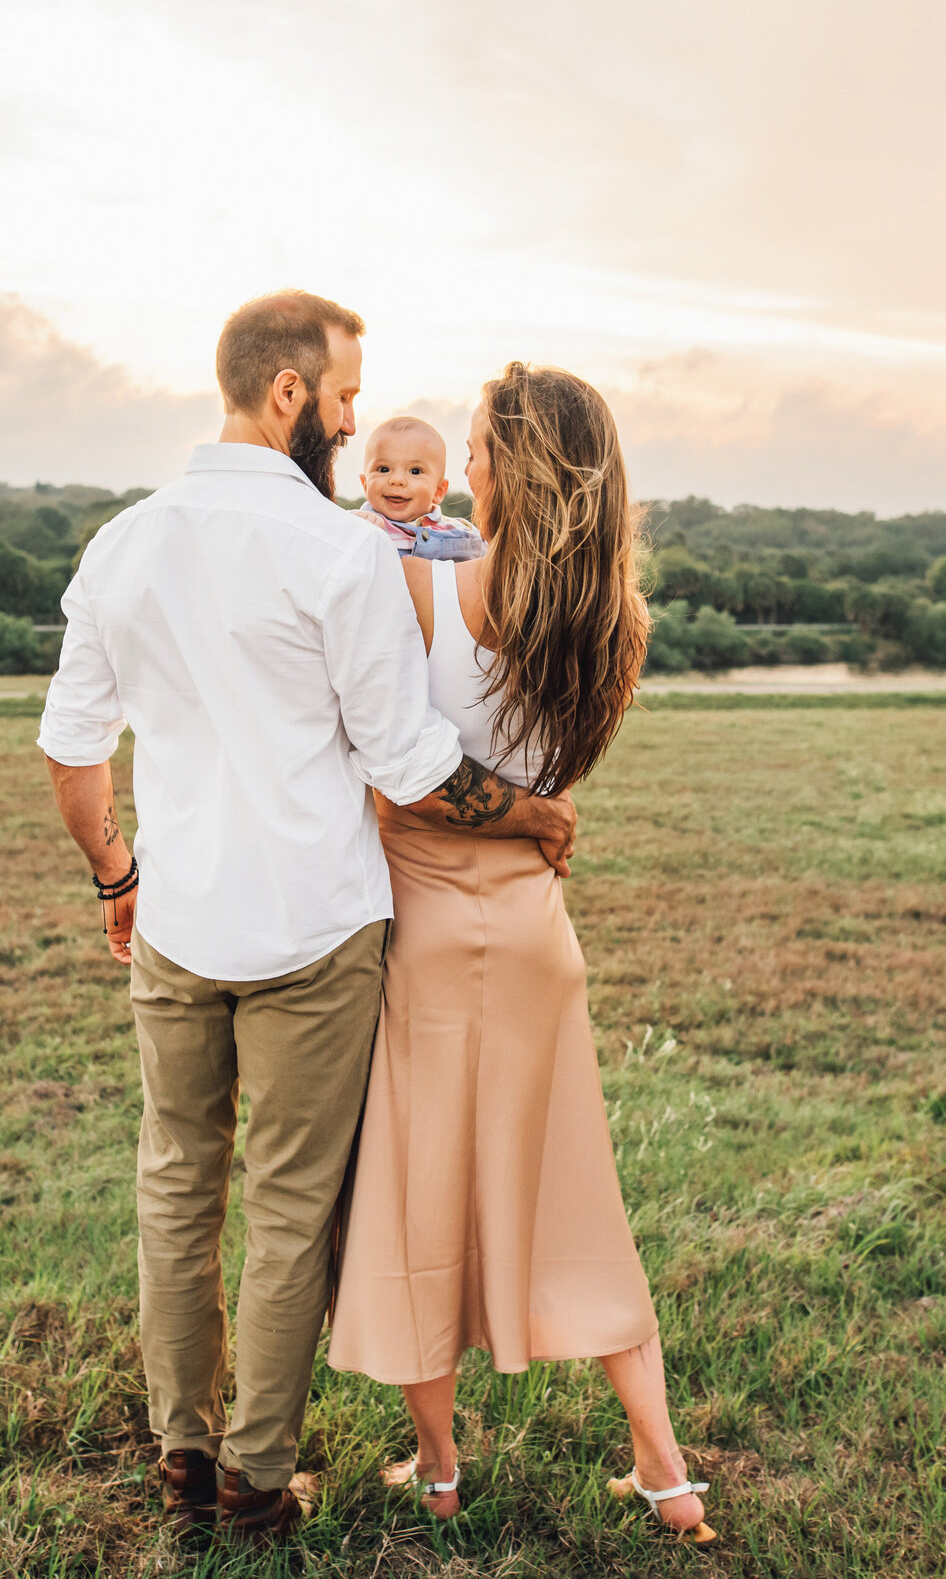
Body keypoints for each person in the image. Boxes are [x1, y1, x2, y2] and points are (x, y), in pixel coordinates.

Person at [37, 295, 576, 1546]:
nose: (352, 425)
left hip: (177, 922)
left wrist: (120, 882)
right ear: (288, 395)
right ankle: (257, 1481)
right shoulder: (335, 554)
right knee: (286, 1207)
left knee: (176, 1184)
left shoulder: (123, 542)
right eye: (342, 401)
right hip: (317, 935)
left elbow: (72, 754)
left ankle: (181, 1458)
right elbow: (412, 765)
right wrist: (537, 818)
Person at [328, 361, 716, 1546]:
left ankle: (440, 1471)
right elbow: (549, 788)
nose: (466, 468)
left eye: (484, 452)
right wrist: (538, 813)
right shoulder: (609, 622)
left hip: (431, 932)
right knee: (574, 1193)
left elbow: (403, 795)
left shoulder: (413, 582)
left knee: (415, 1193)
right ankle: (666, 1469)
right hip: (541, 933)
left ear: (514, 469)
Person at [357, 415, 484, 560]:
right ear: (365, 484)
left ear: (438, 491)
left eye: (415, 471)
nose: (397, 480)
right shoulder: (358, 524)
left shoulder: (463, 530)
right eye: (383, 469)